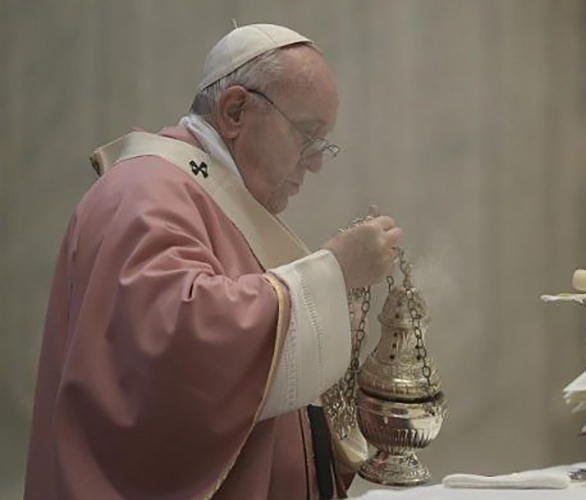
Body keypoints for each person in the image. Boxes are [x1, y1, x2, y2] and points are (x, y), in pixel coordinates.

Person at [24, 24, 400, 499]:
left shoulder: (207, 198)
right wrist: (333, 272)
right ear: (236, 110)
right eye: (307, 134)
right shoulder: (143, 194)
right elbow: (179, 350)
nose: (315, 162)